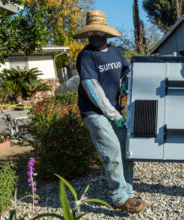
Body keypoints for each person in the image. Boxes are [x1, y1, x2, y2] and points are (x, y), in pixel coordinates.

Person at [73, 10, 147, 214]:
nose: (95, 36)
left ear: (105, 33)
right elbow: (92, 89)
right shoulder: (86, 56)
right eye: (92, 33)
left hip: (115, 109)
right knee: (112, 150)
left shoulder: (116, 51)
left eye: (99, 32)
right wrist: (114, 115)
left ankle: (128, 191)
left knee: (126, 150)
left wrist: (126, 84)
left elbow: (128, 70)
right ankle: (119, 197)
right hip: (93, 112)